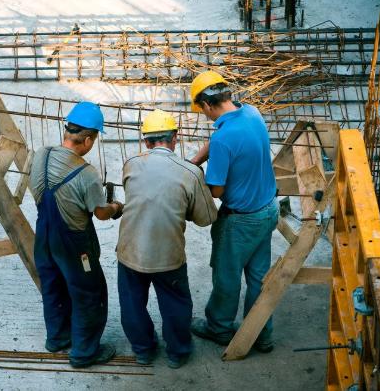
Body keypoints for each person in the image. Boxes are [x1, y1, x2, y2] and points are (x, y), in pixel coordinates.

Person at [116, 109, 217, 369]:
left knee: (132, 302)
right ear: (175, 138)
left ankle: (143, 351)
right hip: (168, 255)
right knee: (175, 302)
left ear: (146, 142)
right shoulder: (189, 172)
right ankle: (178, 352)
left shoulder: (131, 164)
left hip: (130, 252)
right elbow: (205, 217)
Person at [188, 71, 279, 353]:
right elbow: (218, 141)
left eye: (201, 110)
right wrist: (195, 159)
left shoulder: (224, 139)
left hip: (240, 221)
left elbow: (215, 190)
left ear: (206, 105)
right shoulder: (251, 113)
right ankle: (262, 334)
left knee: (227, 277)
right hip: (267, 210)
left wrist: (193, 177)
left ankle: (218, 328)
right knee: (259, 277)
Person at [29, 101, 124, 368]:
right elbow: (100, 213)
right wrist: (117, 207)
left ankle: (58, 338)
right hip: (74, 244)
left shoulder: (41, 154)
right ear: (89, 139)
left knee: (53, 286)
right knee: (88, 293)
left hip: (44, 237)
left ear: (67, 130)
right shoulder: (87, 173)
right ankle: (84, 352)